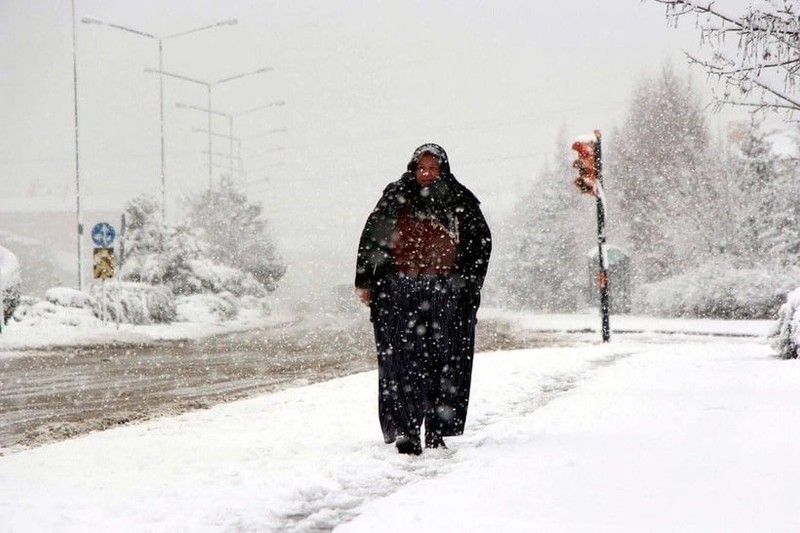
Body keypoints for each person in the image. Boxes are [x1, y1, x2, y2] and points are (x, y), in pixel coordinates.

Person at [354, 143, 492, 455]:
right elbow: (372, 238)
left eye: (433, 168)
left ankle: (436, 430)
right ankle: (406, 430)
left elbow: (480, 244)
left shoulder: (460, 200)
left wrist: (468, 283)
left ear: (443, 170)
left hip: (446, 292)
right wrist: (366, 281)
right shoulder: (395, 197)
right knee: (400, 362)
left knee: (443, 361)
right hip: (398, 290)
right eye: (422, 168)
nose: (427, 174)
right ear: (413, 169)